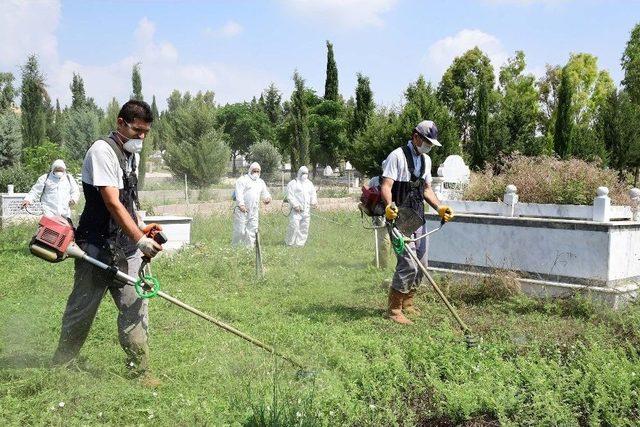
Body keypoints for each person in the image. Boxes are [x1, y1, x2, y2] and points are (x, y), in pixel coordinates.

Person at [52, 100, 163, 385]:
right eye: (137, 130)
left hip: (125, 247)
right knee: (81, 310)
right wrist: (140, 240)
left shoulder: (129, 156)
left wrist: (141, 226)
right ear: (120, 123)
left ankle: (140, 370)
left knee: (135, 306)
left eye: (146, 132)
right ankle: (61, 365)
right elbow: (112, 202)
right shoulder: (102, 151)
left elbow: (127, 202)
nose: (142, 138)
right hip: (95, 246)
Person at [380, 120, 454, 325]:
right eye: (427, 142)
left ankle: (408, 302)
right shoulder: (397, 156)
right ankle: (394, 309)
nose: (428, 146)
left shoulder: (426, 161)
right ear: (416, 137)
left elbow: (427, 189)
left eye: (431, 143)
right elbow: (386, 185)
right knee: (408, 262)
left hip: (417, 214)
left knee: (422, 262)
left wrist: (439, 208)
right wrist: (389, 206)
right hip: (400, 214)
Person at [232, 162, 271, 247]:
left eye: (258, 171)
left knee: (252, 230)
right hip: (242, 210)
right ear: (250, 170)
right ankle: (236, 249)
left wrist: (267, 198)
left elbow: (265, 193)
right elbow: (239, 193)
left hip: (254, 210)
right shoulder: (242, 180)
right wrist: (241, 205)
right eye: (254, 171)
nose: (256, 173)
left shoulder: (260, 182)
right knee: (240, 231)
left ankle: (248, 249)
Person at [285, 166, 317, 247]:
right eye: (303, 173)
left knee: (304, 228)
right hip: (296, 211)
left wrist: (313, 202)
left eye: (306, 173)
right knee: (294, 226)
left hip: (306, 210)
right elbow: (290, 196)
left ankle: (299, 244)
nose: (305, 175)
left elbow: (313, 194)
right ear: (299, 173)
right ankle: (289, 243)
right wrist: (295, 205)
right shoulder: (293, 183)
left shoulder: (309, 184)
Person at [368, 160, 391, 268]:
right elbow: (368, 195)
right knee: (381, 239)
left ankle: (383, 263)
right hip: (378, 214)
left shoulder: (395, 181)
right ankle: (380, 263)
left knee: (388, 239)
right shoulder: (374, 180)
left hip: (392, 213)